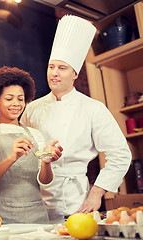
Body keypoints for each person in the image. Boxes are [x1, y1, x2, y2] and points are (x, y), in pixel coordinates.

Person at [21, 15, 132, 222]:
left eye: (62, 68)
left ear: (75, 73)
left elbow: (120, 155)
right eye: (51, 66)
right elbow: (24, 155)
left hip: (76, 201)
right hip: (36, 200)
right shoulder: (31, 109)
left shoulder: (93, 109)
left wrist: (96, 193)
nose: (54, 73)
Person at [0, 66, 63, 224]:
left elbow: (44, 181)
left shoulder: (35, 134)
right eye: (9, 99)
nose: (16, 103)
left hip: (37, 217)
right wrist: (11, 157)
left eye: (20, 98)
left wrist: (46, 162)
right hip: (0, 219)